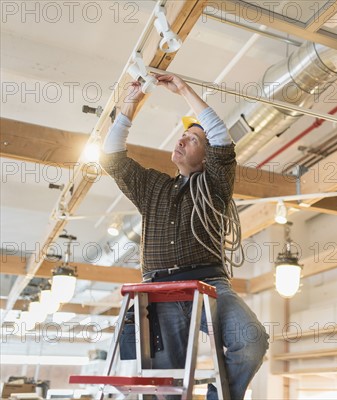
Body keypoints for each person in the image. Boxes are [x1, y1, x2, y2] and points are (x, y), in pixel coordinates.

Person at [100, 74, 269, 399]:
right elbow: (112, 158)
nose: (180, 141)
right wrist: (128, 108)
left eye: (191, 139)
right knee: (169, 388)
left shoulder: (215, 184)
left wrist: (185, 91)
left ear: (206, 157)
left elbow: (221, 139)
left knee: (250, 341)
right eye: (181, 136)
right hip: (159, 290)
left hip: (210, 286)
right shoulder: (153, 188)